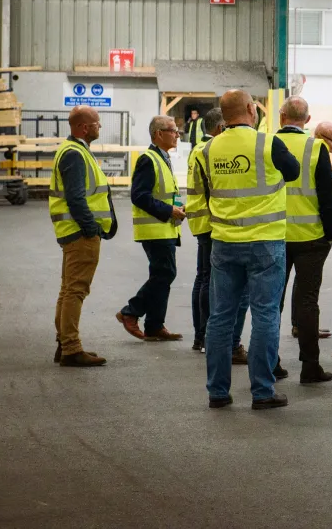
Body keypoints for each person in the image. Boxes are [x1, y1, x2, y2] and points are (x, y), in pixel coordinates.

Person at [200, 89, 301, 410]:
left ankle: (217, 392)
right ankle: (262, 391)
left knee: (220, 318)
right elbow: (294, 172)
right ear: (249, 109)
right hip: (265, 245)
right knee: (265, 315)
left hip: (224, 243)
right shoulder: (269, 143)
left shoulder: (208, 149)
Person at [276, 97, 332, 384]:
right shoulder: (316, 148)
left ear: (281, 117)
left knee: (271, 302)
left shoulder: (265, 144)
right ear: (308, 120)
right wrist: (328, 234)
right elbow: (328, 197)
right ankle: (310, 366)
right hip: (310, 238)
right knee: (307, 301)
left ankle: (270, 363)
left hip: (273, 235)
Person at [50, 106, 117, 367]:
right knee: (75, 290)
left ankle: (64, 342)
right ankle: (70, 348)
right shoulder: (75, 154)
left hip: (72, 232)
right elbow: (76, 198)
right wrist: (91, 228)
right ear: (84, 127)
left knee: (68, 290)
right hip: (80, 234)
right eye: (97, 123)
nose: (99, 126)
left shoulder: (75, 151)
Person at [186, 108, 251, 359]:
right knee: (210, 282)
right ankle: (206, 336)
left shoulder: (200, 149)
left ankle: (200, 336)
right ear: (220, 127)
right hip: (212, 222)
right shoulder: (210, 150)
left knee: (203, 279)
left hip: (202, 220)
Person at [116, 115, 187, 342]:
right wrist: (168, 211)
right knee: (165, 273)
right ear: (159, 134)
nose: (177, 134)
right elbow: (139, 196)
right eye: (173, 130)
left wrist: (176, 208)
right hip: (155, 229)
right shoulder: (149, 159)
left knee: (162, 274)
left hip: (165, 228)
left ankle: (155, 325)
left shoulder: (162, 158)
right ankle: (130, 312)